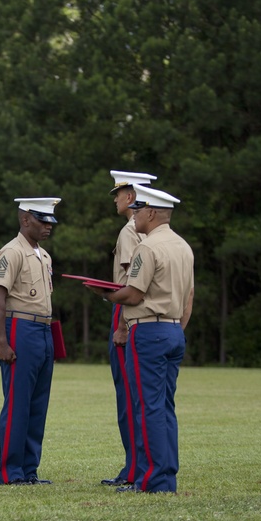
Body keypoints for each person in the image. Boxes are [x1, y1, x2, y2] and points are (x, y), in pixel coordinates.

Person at [90, 185, 194, 494]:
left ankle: (150, 481)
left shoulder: (147, 248)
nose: (134, 215)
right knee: (164, 407)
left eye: (140, 209)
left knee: (146, 407)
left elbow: (133, 294)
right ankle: (166, 476)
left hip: (148, 331)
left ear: (151, 213)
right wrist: (177, 327)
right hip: (174, 330)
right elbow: (189, 296)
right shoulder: (184, 247)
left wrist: (105, 294)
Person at [0, 197, 60, 485]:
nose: (48, 227)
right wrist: (2, 342)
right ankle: (11, 472)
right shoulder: (11, 252)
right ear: (25, 219)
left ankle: (29, 470)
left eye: (51, 222)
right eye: (43, 221)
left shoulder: (43, 255)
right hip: (20, 330)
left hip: (43, 331)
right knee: (18, 404)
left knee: (37, 405)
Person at [101, 170, 155, 488]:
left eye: (118, 193)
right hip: (147, 316)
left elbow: (127, 283)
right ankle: (139, 465)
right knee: (140, 396)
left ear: (131, 197)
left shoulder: (128, 232)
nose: (116, 199)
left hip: (127, 313)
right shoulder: (155, 231)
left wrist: (120, 326)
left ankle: (133, 469)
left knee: (128, 397)